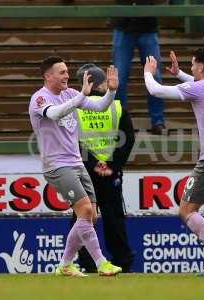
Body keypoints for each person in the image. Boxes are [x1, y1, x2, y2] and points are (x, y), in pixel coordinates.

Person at [143, 47, 204, 276]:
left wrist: (148, 72)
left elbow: (156, 91)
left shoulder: (201, 88)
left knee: (187, 210)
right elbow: (201, 88)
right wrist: (179, 74)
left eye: (193, 64)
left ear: (202, 67)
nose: (191, 68)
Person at [29, 56, 122, 277]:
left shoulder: (71, 93)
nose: (67, 75)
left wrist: (111, 91)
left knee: (89, 216)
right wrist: (81, 95)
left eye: (67, 71)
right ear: (48, 76)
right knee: (86, 210)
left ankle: (65, 264)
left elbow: (100, 106)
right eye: (61, 72)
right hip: (57, 165)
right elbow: (55, 113)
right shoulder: (39, 99)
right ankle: (101, 263)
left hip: (76, 162)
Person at [69, 64, 135, 273]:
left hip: (84, 170)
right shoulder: (117, 107)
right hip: (111, 173)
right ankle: (122, 262)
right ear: (100, 84)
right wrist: (112, 165)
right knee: (114, 217)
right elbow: (128, 139)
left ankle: (87, 263)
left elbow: (72, 142)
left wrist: (92, 164)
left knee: (83, 217)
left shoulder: (75, 108)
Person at [111, 0, 167, 135]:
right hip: (124, 25)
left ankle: (157, 121)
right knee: (120, 77)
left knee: (155, 76)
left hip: (147, 26)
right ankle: (120, 120)